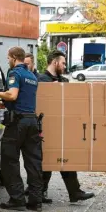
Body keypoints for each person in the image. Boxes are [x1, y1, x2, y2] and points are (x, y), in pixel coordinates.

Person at [35, 50, 95, 203]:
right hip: (46, 126)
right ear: (55, 62)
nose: (64, 65)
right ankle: (39, 193)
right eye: (62, 63)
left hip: (62, 126)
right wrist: (52, 89)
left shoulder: (64, 81)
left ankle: (75, 192)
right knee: (47, 160)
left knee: (66, 159)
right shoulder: (41, 79)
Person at [0, 47, 43, 212]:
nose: (8, 61)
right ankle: (36, 201)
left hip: (17, 124)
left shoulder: (15, 73)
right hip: (32, 122)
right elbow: (23, 98)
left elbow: (12, 94)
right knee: (33, 162)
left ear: (14, 57)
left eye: (8, 58)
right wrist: (5, 104)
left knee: (9, 160)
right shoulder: (32, 76)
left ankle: (17, 199)